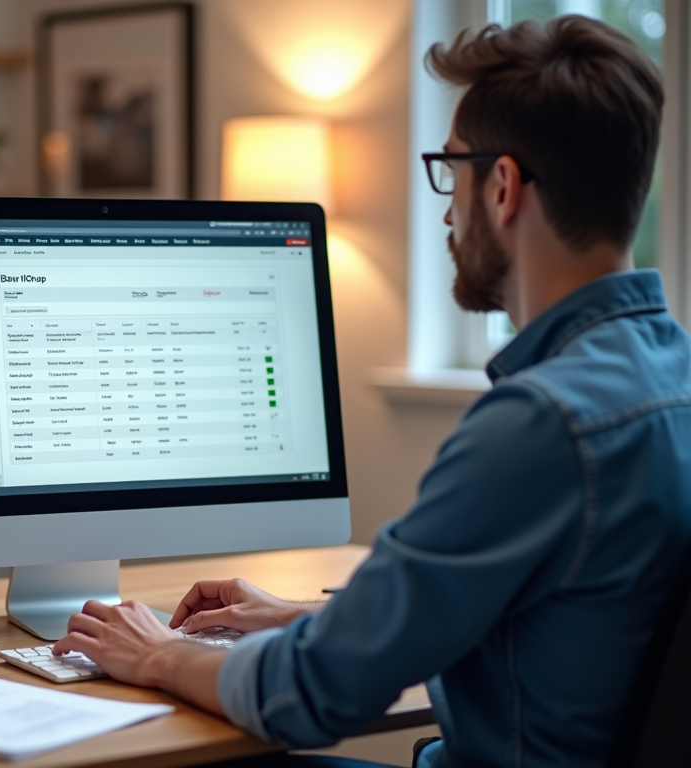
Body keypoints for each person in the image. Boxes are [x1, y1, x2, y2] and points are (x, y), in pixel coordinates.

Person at [52, 15, 691, 768]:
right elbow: (548, 620)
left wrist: (158, 653)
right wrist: (305, 618)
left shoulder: (540, 425)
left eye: (451, 171)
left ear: (503, 187)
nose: (448, 209)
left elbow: (313, 695)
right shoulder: (669, 377)